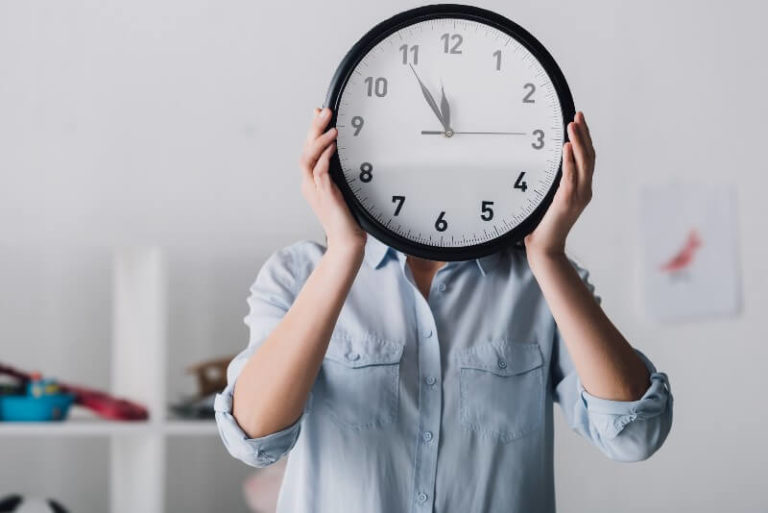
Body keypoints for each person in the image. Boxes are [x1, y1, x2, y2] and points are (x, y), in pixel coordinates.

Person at [214, 107, 673, 512]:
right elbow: (253, 437)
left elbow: (634, 436)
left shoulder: (541, 282)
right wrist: (342, 252)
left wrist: (549, 257)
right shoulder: (298, 274)